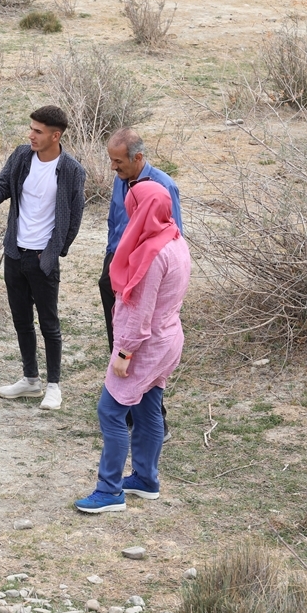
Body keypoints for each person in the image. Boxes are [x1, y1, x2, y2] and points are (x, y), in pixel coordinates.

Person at [75, 180, 191, 513]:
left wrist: (124, 353)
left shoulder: (151, 255)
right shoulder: (174, 238)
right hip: (168, 338)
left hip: (145, 344)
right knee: (148, 408)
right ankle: (146, 479)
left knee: (110, 411)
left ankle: (109, 490)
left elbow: (140, 312)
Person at [0, 105, 85, 411]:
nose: (31, 135)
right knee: (21, 320)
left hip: (43, 258)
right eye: (31, 128)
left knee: (49, 323)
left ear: (55, 136)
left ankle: (54, 387)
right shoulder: (21, 156)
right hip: (15, 253)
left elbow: (74, 218)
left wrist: (55, 251)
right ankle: (31, 380)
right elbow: (3, 186)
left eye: (38, 131)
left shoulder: (72, 170)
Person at [100, 128, 183, 441]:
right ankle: (127, 404)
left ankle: (151, 422)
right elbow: (115, 223)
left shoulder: (163, 186)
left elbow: (173, 233)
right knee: (119, 338)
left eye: (118, 161)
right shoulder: (121, 181)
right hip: (118, 269)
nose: (113, 167)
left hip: (145, 273)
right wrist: (111, 264)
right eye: (111, 160)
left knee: (141, 346)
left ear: (138, 157)